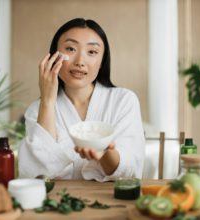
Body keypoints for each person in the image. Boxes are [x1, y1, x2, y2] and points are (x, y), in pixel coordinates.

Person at [18, 18, 145, 182]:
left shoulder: (124, 101)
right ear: (54, 57)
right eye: (70, 49)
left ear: (101, 62)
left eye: (92, 52)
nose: (79, 62)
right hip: (58, 203)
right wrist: (48, 101)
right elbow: (37, 174)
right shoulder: (37, 109)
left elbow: (131, 170)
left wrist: (105, 154)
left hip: (111, 201)